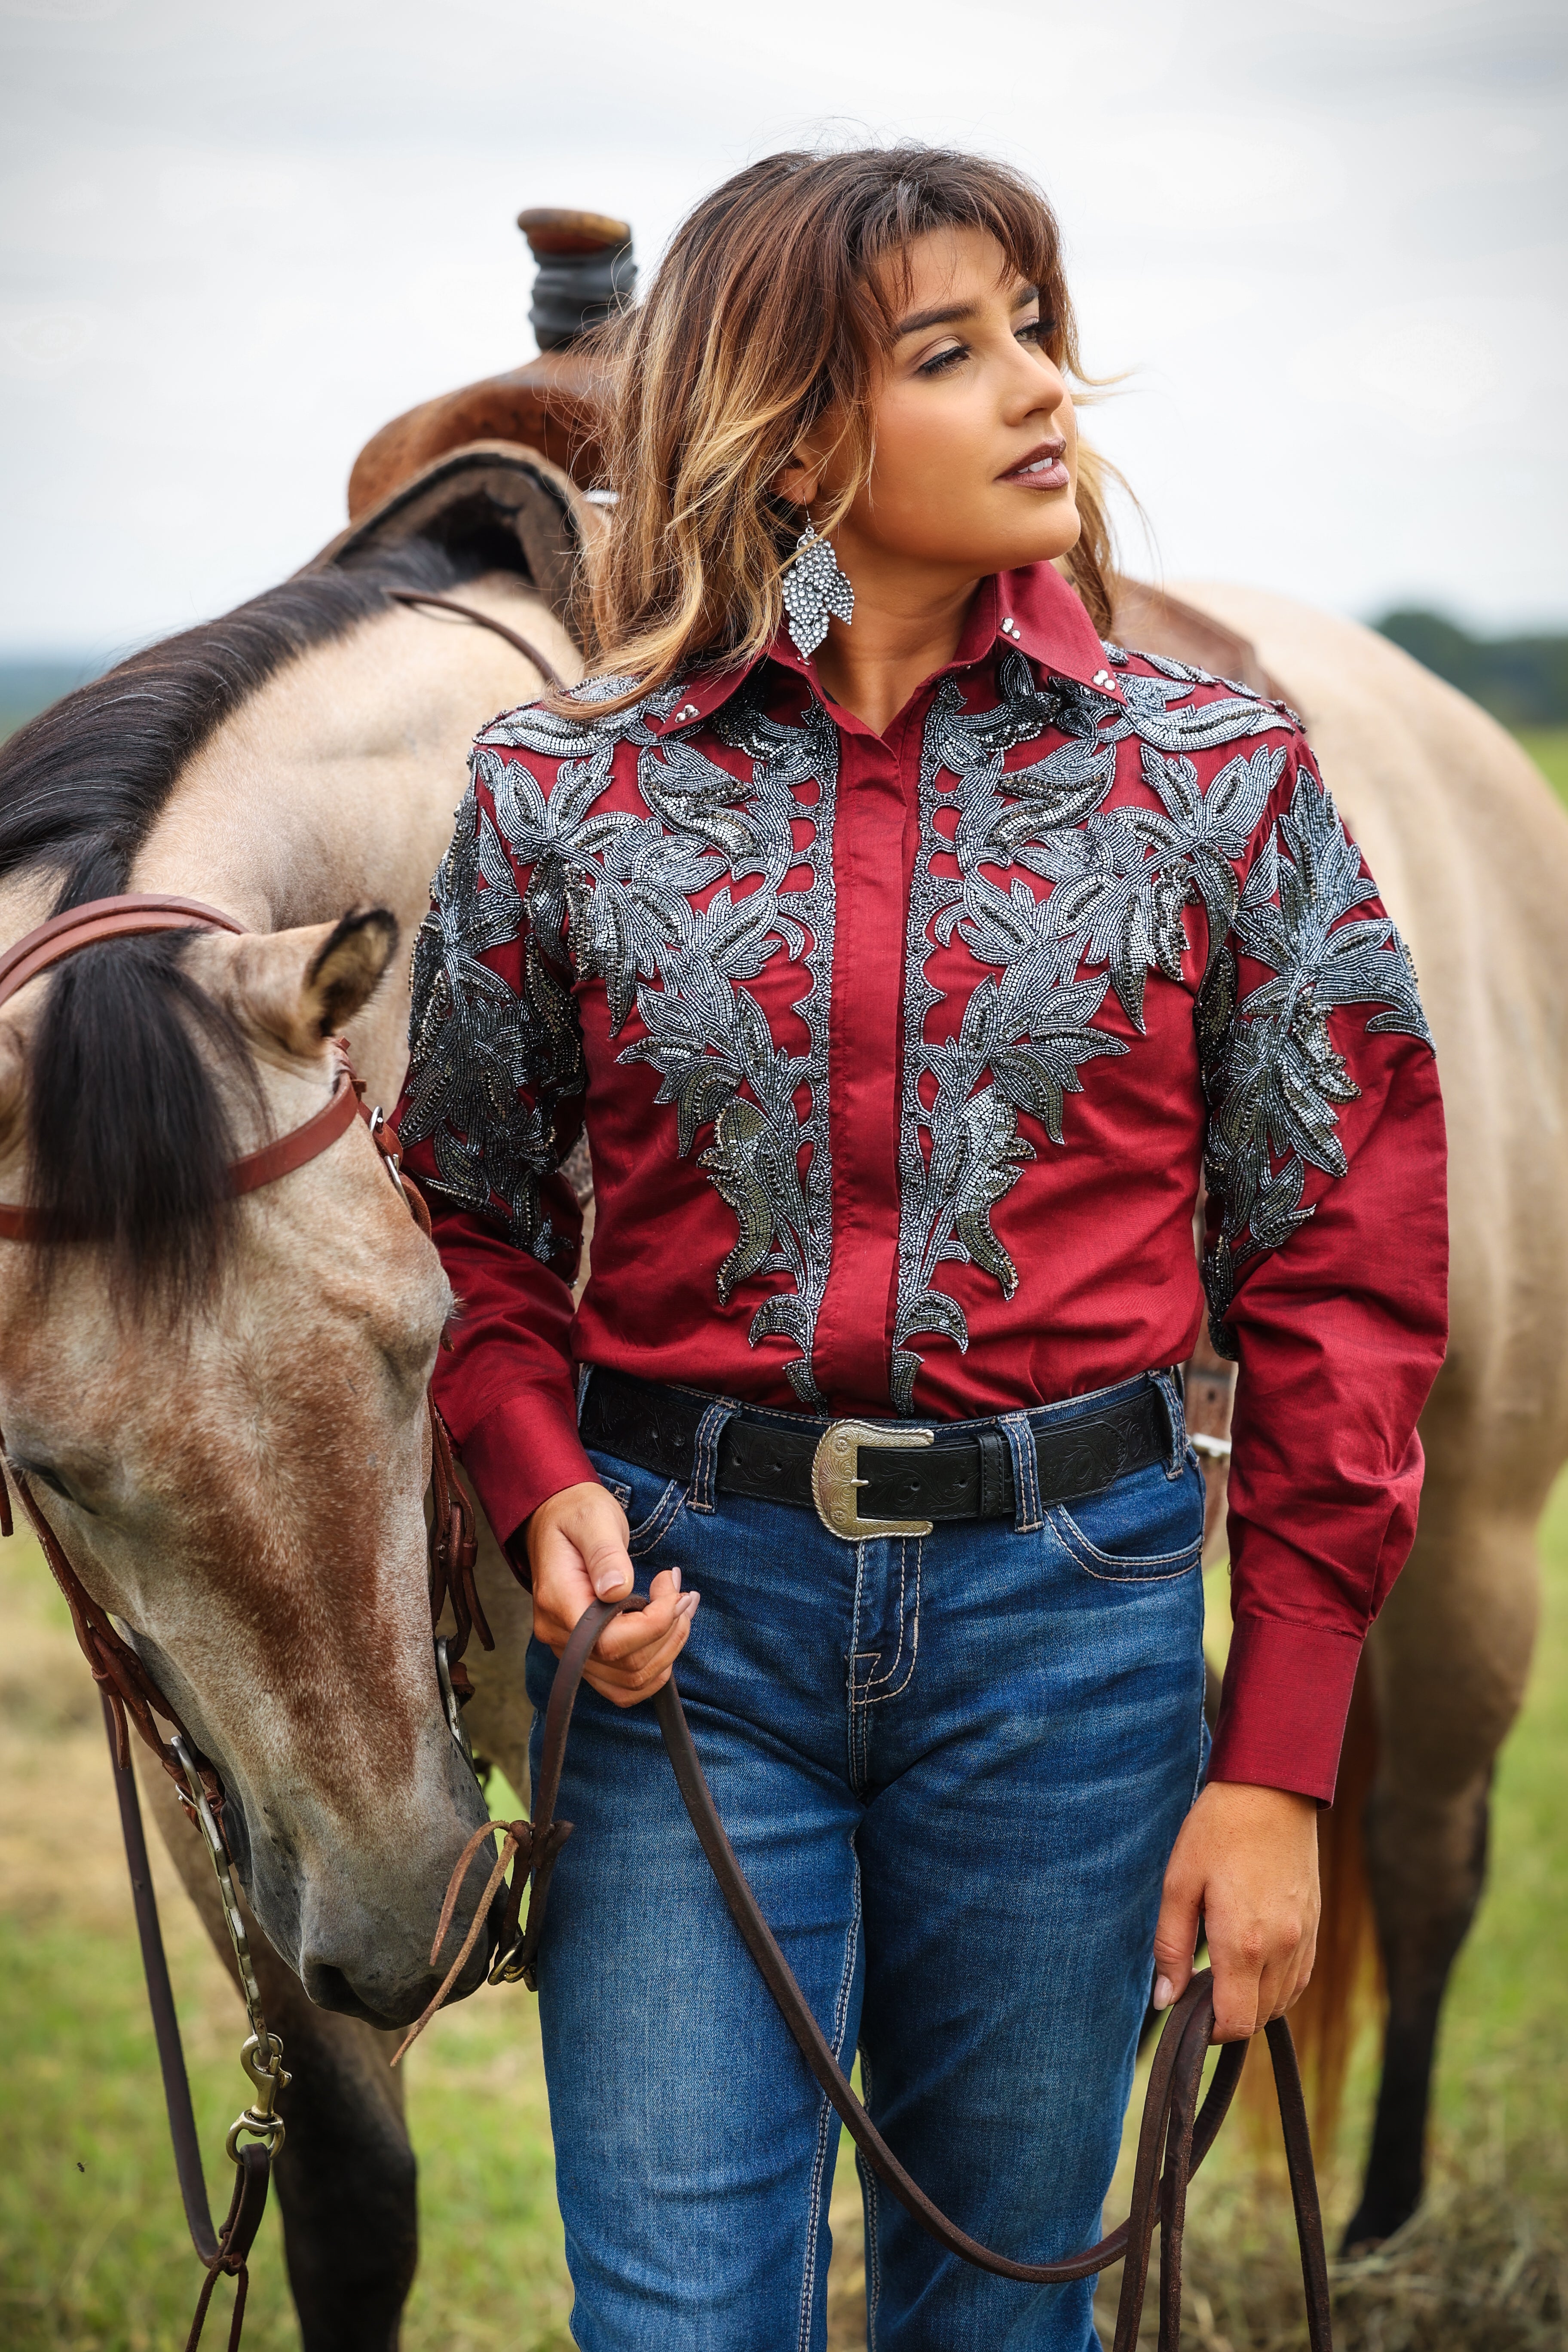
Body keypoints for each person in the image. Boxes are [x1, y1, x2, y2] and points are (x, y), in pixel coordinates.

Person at [395, 146, 1447, 2352]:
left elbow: (1346, 1274)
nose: (1049, 391)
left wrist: (1278, 1764)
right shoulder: (558, 797)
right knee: (677, 2324)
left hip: (1074, 1644)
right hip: (684, 1629)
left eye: (1040, 330)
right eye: (957, 353)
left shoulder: (1219, 785)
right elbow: (470, 1224)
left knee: (999, 2321)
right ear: (792, 434)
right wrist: (536, 1477)